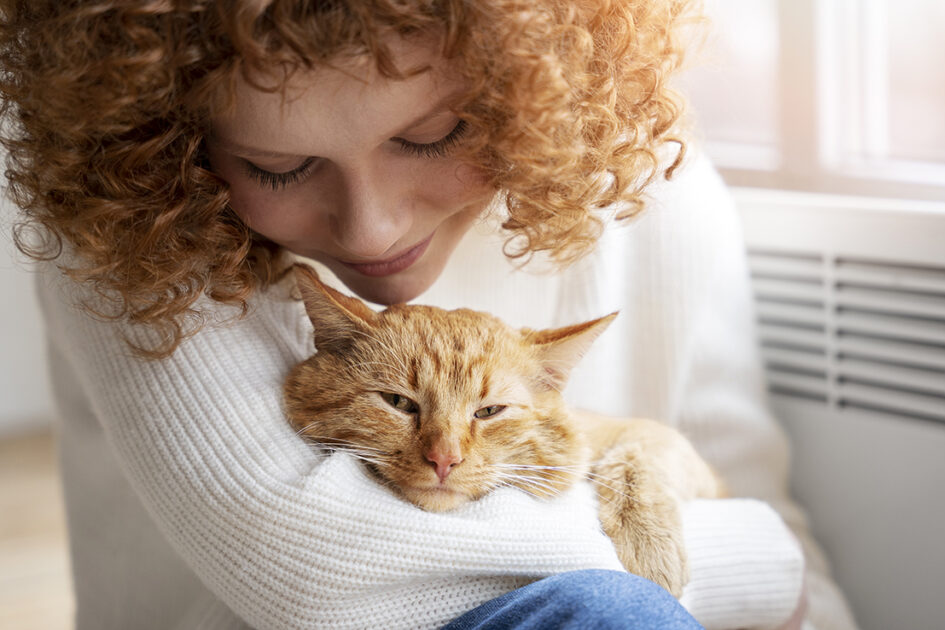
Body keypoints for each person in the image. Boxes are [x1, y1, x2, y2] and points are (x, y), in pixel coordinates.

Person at [0, 1, 858, 629]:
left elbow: (763, 517)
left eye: (432, 135)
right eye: (279, 165)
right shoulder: (129, 218)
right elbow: (325, 574)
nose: (372, 229)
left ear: (534, 100)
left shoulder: (658, 196)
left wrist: (778, 568)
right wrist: (753, 560)